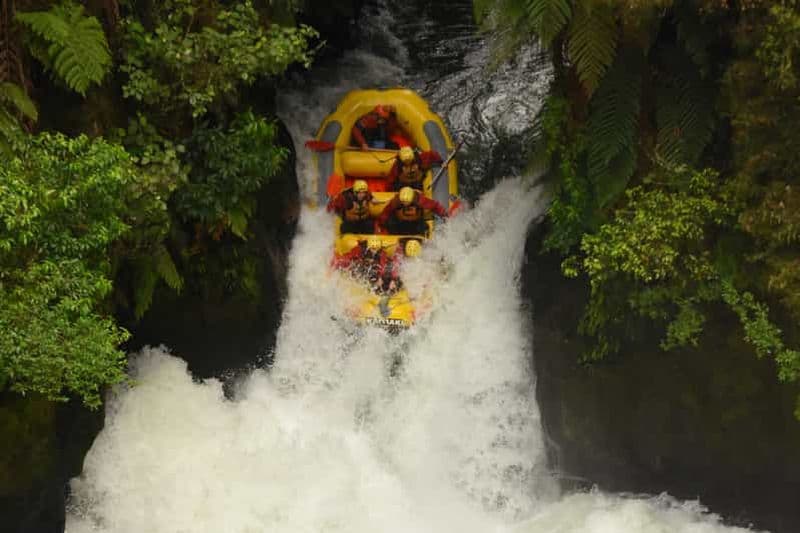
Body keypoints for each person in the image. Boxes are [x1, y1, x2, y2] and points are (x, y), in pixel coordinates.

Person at [377, 186, 448, 236]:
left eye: (409, 204)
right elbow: (385, 214)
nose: (406, 206)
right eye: (404, 204)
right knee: (391, 224)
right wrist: (381, 226)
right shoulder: (395, 202)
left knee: (424, 227)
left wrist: (445, 215)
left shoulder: (421, 201)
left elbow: (435, 206)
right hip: (399, 224)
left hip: (416, 223)